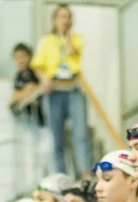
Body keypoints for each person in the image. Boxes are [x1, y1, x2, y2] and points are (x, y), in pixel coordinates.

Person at [31, 3, 93, 176]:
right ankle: (61, 176)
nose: (63, 20)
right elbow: (37, 65)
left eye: (67, 17)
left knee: (80, 135)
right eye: (60, 17)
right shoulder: (46, 41)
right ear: (54, 20)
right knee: (57, 138)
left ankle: (85, 173)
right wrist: (44, 79)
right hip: (54, 92)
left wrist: (66, 35)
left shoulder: (77, 39)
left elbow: (74, 53)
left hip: (73, 89)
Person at [10, 43, 50, 181]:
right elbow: (14, 97)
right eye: (16, 58)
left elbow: (34, 88)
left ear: (29, 57)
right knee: (33, 153)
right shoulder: (19, 76)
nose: (19, 61)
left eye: (22, 57)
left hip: (44, 121)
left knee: (46, 152)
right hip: (31, 123)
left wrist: (26, 92)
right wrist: (24, 93)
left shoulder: (35, 72)